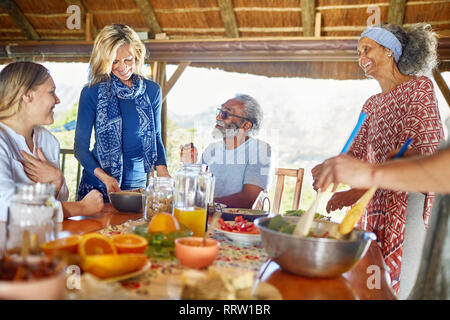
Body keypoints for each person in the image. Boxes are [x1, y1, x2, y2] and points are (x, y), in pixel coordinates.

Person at [312, 23, 445, 296]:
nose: (361, 58)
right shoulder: (371, 104)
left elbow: (417, 152)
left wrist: (360, 188)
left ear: (388, 51)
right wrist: (331, 167)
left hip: (406, 201)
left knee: (398, 289)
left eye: (366, 49)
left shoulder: (420, 88)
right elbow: (356, 150)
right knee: (371, 282)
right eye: (358, 52)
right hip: (373, 205)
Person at [74, 24, 169, 202]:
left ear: (137, 56)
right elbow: (80, 149)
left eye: (128, 60)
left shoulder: (152, 91)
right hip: (97, 186)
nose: (123, 67)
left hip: (137, 188)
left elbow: (155, 137)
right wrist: (106, 178)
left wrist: (163, 171)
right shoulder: (91, 92)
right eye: (114, 62)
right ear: (104, 61)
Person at [0, 61, 104, 222]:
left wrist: (56, 180)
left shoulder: (48, 141)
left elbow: (58, 201)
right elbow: (8, 209)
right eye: (51, 92)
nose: (57, 100)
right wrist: (81, 207)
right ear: (27, 95)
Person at [180, 94, 272, 208]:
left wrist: (205, 204)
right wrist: (189, 167)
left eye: (226, 114)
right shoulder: (211, 149)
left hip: (238, 223)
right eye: (220, 111)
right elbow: (192, 193)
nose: (218, 117)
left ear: (246, 125)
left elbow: (247, 200)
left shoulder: (260, 150)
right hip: (208, 217)